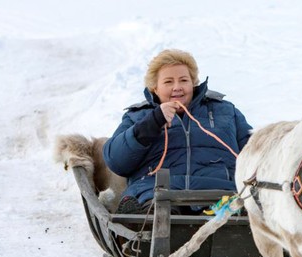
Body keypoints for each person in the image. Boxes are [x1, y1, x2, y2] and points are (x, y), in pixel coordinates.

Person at [103, 49, 252, 213]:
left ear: (193, 83)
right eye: (168, 82)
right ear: (155, 88)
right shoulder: (138, 117)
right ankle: (141, 221)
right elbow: (116, 161)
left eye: (183, 80)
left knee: (235, 216)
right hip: (155, 193)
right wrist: (152, 122)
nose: (177, 87)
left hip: (220, 193)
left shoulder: (225, 111)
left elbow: (253, 152)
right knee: (159, 214)